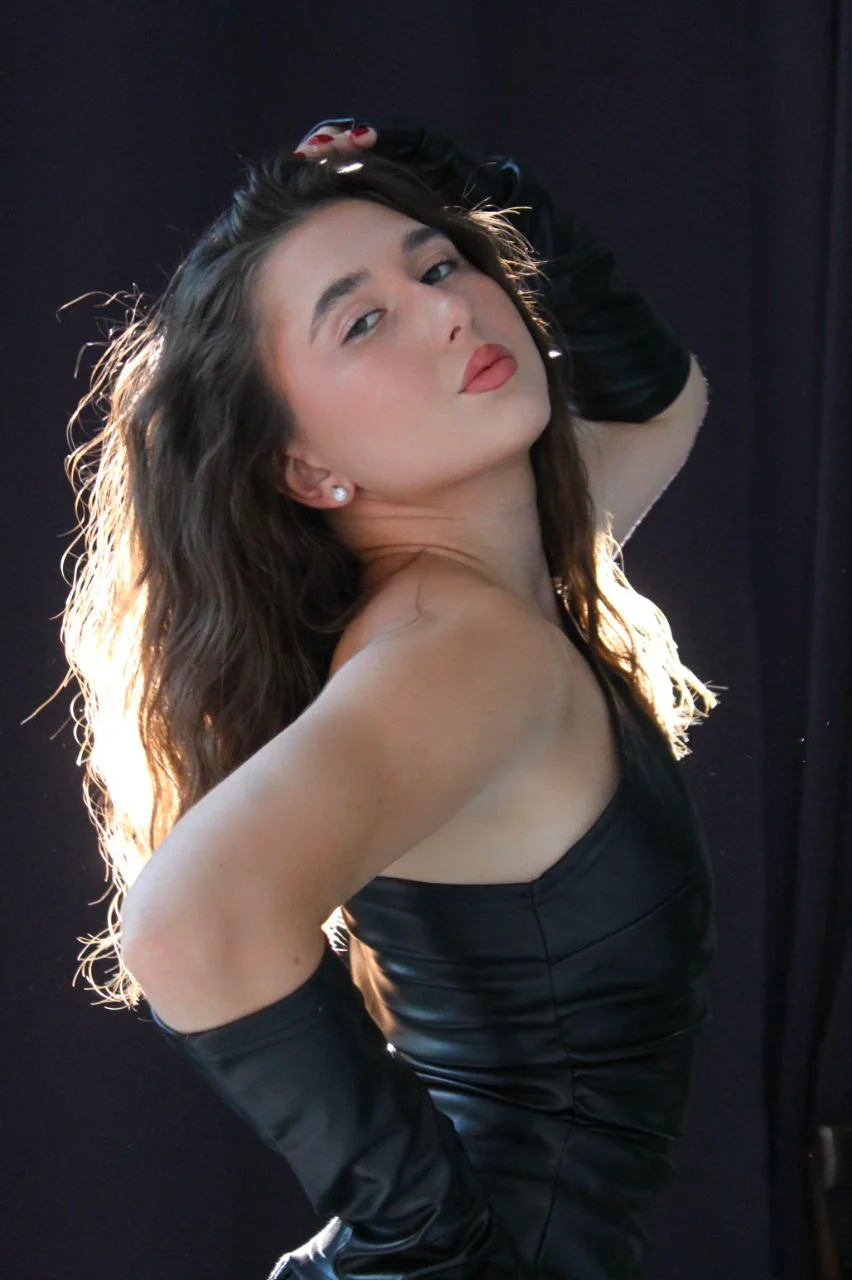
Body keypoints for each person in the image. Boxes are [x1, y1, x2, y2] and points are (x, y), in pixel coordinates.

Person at [60, 114, 721, 1277]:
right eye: (362, 320)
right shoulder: (465, 648)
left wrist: (470, 182)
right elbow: (189, 922)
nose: (449, 310)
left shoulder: (485, 587)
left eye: (439, 263)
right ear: (309, 468)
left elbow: (658, 404)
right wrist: (431, 1244)